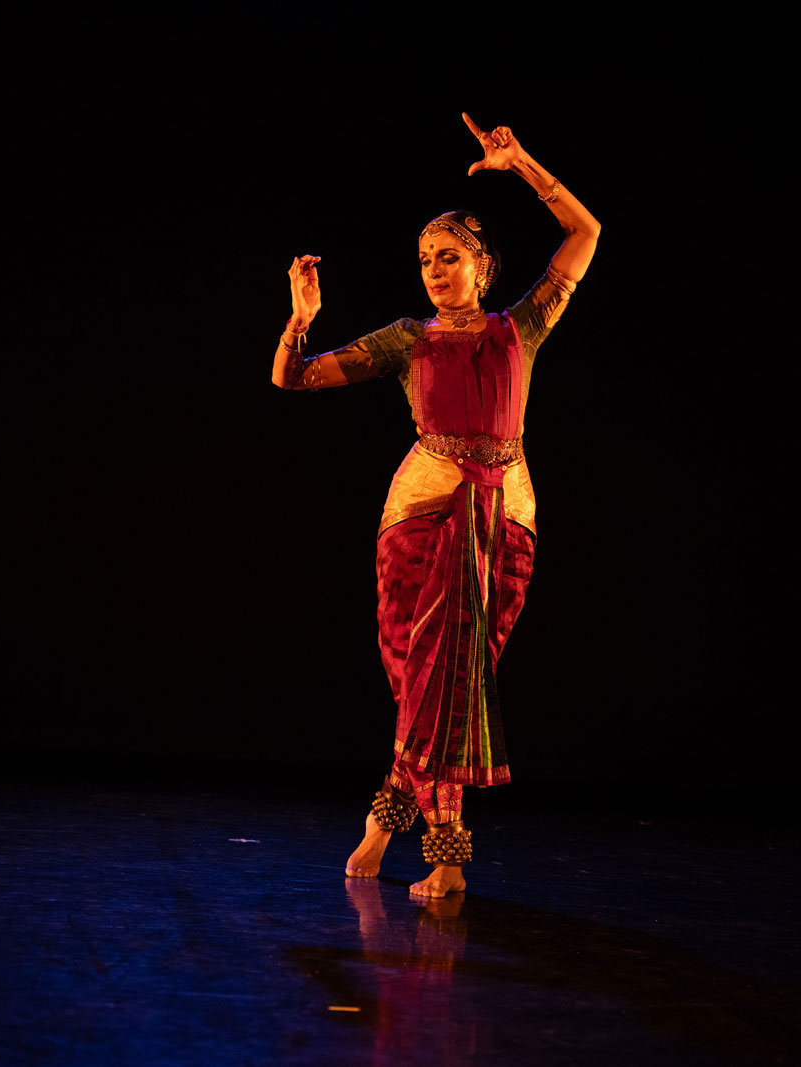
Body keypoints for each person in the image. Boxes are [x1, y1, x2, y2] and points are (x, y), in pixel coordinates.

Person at [271, 114, 600, 898]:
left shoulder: (522, 327)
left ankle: (388, 824)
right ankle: (445, 855)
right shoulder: (405, 339)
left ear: (483, 265)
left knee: (452, 681)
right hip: (420, 517)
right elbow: (293, 378)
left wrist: (521, 164)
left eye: (448, 256)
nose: (434, 271)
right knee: (423, 676)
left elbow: (585, 232)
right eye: (425, 260)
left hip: (503, 519)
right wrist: (301, 321)